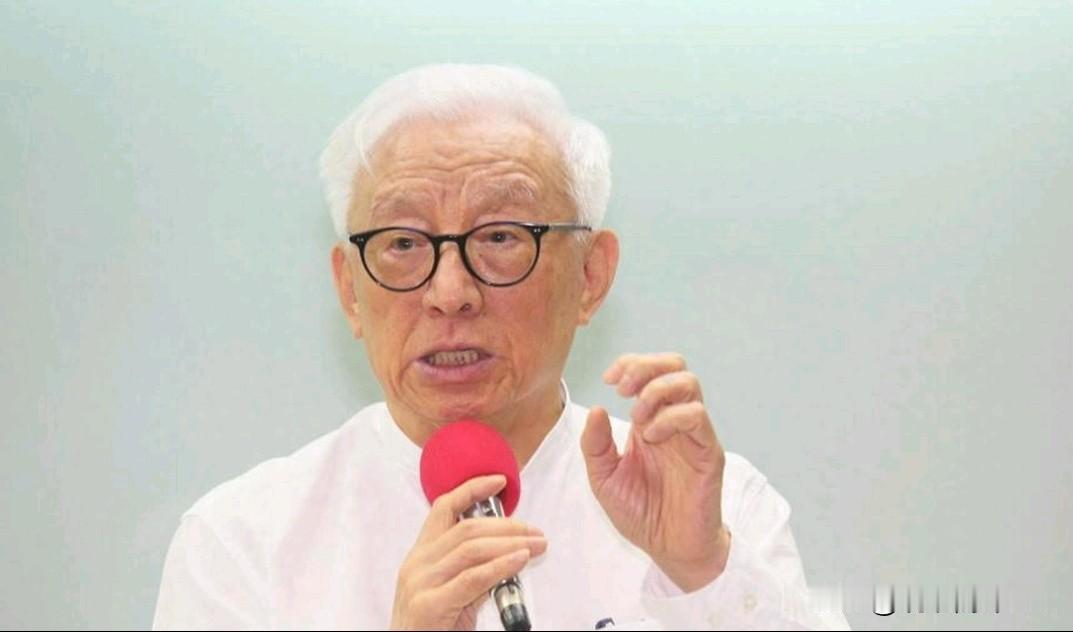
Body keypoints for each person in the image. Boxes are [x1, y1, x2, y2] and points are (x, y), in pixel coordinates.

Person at [152, 63, 850, 631]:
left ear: (591, 276)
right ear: (349, 291)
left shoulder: (713, 507)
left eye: (500, 237)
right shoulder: (242, 543)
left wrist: (702, 573)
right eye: (402, 243)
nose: (449, 292)